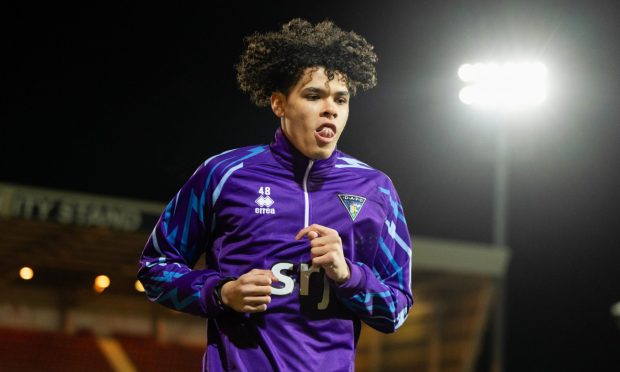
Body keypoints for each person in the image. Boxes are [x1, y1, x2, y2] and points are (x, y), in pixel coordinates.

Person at [138, 18, 413, 371]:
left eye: (340, 99)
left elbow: (398, 310)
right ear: (279, 104)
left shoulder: (376, 190)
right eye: (313, 95)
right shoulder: (223, 174)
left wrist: (348, 275)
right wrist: (221, 293)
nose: (330, 108)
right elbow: (155, 266)